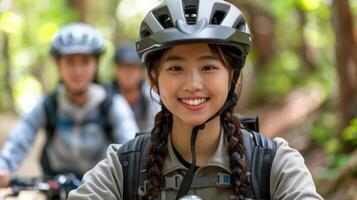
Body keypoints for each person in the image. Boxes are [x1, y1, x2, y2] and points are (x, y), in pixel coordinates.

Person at [68, 1, 323, 199]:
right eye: (176, 69)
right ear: (152, 79)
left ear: (232, 77)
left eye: (209, 68)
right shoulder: (124, 166)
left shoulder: (274, 163)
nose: (192, 85)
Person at [0, 23, 139, 188]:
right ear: (58, 64)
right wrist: (4, 167)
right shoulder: (48, 104)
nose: (77, 70)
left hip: (101, 189)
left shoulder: (111, 104)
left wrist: (134, 173)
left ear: (96, 64)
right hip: (55, 187)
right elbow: (21, 135)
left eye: (85, 61)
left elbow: (130, 144)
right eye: (70, 62)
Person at [106, 43, 159, 132]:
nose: (128, 73)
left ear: (141, 70)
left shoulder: (152, 94)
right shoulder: (105, 96)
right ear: (117, 69)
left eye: (133, 67)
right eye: (124, 67)